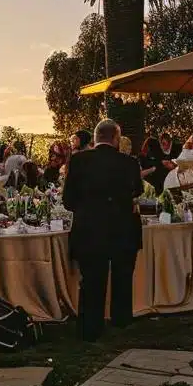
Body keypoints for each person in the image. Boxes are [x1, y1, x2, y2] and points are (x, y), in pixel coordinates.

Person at [63, 119, 144, 341]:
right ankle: (121, 322)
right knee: (122, 278)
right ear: (116, 138)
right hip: (122, 228)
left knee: (91, 280)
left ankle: (90, 327)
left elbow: (68, 201)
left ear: (96, 138)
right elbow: (137, 190)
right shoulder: (129, 163)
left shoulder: (79, 161)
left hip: (89, 229)